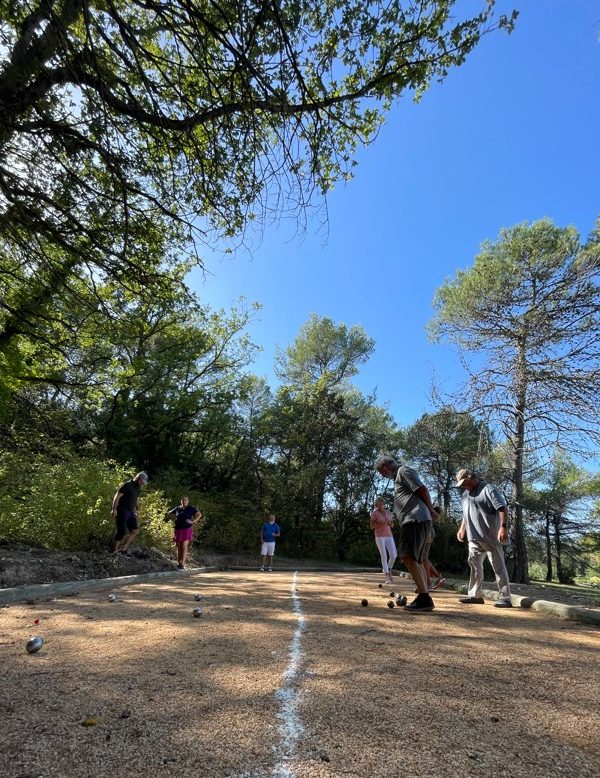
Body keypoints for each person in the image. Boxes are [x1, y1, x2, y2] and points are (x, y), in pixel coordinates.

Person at [374, 455, 439, 612]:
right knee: (414, 558)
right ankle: (424, 595)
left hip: (415, 519)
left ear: (386, 467)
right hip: (412, 520)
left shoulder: (403, 471)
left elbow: (422, 489)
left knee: (407, 556)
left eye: (382, 473)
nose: (383, 476)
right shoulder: (398, 477)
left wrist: (430, 509)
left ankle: (424, 598)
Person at [455, 468, 512, 608]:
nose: (463, 486)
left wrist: (503, 527)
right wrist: (462, 528)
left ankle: (505, 597)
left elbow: (502, 508)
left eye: (465, 482)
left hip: (490, 535)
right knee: (474, 565)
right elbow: (466, 514)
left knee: (498, 567)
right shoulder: (465, 495)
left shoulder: (488, 489)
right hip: (473, 537)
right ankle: (475, 595)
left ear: (472, 478)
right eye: (461, 484)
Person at [111, 472, 148, 555]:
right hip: (122, 510)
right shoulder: (127, 485)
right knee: (122, 531)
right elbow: (117, 497)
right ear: (138, 478)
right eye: (142, 481)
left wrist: (138, 507)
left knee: (135, 530)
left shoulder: (138, 488)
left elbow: (135, 499)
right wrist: (114, 509)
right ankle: (114, 552)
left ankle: (124, 548)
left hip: (131, 512)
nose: (142, 483)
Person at [165, 496, 202, 570]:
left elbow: (199, 514)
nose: (184, 501)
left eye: (185, 500)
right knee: (179, 547)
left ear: (188, 501)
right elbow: (169, 513)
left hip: (186, 529)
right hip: (177, 529)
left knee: (184, 546)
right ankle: (179, 564)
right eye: (183, 500)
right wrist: (171, 518)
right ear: (181, 501)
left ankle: (182, 564)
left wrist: (193, 521)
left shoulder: (191, 508)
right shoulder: (178, 508)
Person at [370, 496, 397, 584]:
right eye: (378, 505)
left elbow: (392, 525)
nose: (380, 506)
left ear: (383, 504)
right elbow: (371, 526)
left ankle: (389, 569)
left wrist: (390, 523)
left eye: (381, 504)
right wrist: (379, 524)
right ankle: (387, 576)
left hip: (389, 535)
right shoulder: (374, 513)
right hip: (379, 536)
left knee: (393, 555)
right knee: (384, 556)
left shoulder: (388, 512)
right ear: (376, 505)